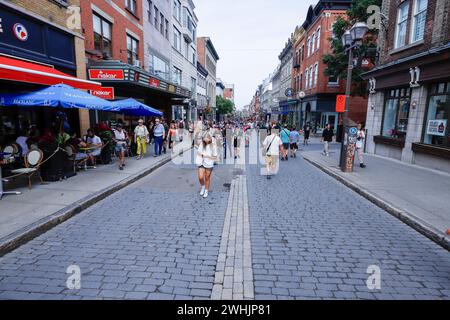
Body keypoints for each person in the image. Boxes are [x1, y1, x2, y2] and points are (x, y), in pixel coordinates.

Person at [196, 132, 218, 199]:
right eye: (204, 139)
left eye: (206, 139)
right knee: (200, 177)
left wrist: (209, 157)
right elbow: (199, 152)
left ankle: (206, 190)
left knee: (207, 177)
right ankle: (203, 186)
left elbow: (215, 156)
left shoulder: (213, 145)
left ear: (209, 139)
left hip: (209, 163)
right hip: (201, 162)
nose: (205, 141)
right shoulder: (202, 144)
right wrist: (203, 155)